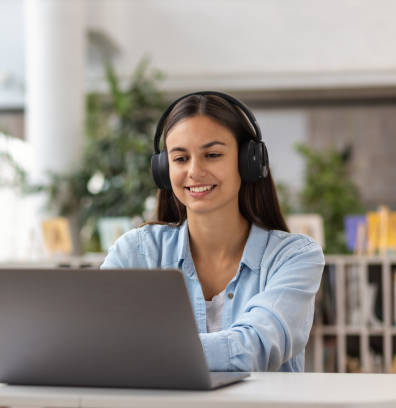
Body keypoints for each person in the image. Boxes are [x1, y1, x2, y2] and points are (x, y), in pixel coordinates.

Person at [100, 91, 325, 372]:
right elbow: (97, 338)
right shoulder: (136, 251)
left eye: (213, 154)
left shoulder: (293, 257)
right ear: (163, 169)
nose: (194, 171)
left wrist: (144, 352)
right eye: (180, 159)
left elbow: (256, 347)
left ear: (248, 162)